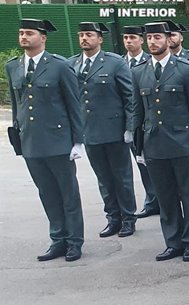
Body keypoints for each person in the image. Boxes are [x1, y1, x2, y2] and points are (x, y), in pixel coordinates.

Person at [7, 18, 85, 262]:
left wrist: (77, 141)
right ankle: (58, 240)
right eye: (21, 33)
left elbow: (74, 104)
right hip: (31, 141)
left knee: (68, 194)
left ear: (43, 38)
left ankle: (74, 242)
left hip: (58, 140)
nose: (23, 37)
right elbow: (17, 104)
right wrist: (17, 135)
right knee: (47, 194)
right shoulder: (14, 66)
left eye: (29, 33)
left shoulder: (59, 66)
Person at [131, 22, 189, 262]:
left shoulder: (185, 69)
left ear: (168, 39)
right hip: (154, 143)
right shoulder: (139, 72)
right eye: (149, 38)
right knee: (165, 196)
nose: (153, 41)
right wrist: (138, 146)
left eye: (157, 37)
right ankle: (173, 242)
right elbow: (137, 111)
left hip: (182, 143)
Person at [68, 21, 138, 239]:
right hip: (89, 131)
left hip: (114, 130)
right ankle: (113, 218)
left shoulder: (114, 62)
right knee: (104, 179)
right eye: (81, 35)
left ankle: (128, 218)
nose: (84, 38)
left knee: (122, 177)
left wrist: (130, 127)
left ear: (99, 39)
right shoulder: (72, 64)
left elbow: (129, 96)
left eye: (89, 35)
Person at [122, 24, 159, 218]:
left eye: (133, 38)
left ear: (141, 40)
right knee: (142, 165)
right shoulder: (121, 63)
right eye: (126, 38)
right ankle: (152, 200)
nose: (129, 41)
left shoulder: (149, 61)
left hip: (150, 121)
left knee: (155, 165)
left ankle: (160, 199)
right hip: (130, 123)